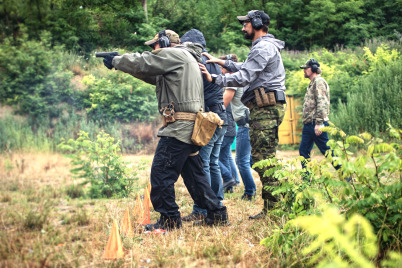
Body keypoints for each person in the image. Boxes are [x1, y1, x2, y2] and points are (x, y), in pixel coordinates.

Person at [101, 29, 228, 230]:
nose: (153, 50)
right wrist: (122, 65)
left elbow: (144, 62)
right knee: (195, 177)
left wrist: (117, 60)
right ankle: (217, 213)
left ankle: (170, 220)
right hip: (189, 126)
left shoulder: (175, 54)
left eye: (155, 46)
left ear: (166, 42)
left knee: (161, 175)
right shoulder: (184, 59)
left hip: (180, 127)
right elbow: (149, 72)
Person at [198, 10, 286, 219]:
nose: (243, 27)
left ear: (256, 23)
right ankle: (274, 207)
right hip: (263, 107)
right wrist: (222, 64)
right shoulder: (263, 47)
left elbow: (245, 76)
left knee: (263, 159)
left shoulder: (263, 47)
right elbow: (247, 68)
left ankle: (277, 208)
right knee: (263, 158)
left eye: (245, 24)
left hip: (266, 108)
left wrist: (215, 79)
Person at [179, 29, 228, 223]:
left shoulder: (198, 62)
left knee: (203, 164)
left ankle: (203, 209)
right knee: (213, 163)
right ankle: (217, 201)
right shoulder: (211, 59)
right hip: (220, 117)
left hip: (209, 119)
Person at [219, 54, 256, 200]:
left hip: (244, 125)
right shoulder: (242, 77)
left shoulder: (232, 80)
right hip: (249, 123)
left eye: (221, 67)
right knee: (248, 160)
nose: (220, 70)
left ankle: (250, 191)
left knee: (241, 161)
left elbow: (224, 103)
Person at [299, 59, 344, 178]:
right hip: (309, 124)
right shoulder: (313, 83)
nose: (304, 70)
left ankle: (345, 174)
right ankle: (306, 180)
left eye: (306, 68)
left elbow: (322, 103)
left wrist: (319, 124)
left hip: (316, 124)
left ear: (313, 69)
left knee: (327, 152)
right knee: (303, 152)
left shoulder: (319, 82)